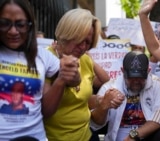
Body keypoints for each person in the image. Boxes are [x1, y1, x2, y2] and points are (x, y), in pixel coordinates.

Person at [0, 0, 79, 140]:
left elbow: (75, 80)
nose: (13, 31)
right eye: (5, 23)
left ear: (30, 26)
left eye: (20, 24)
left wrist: (68, 71)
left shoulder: (42, 55)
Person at [43, 8, 110, 141]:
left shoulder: (85, 60)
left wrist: (100, 100)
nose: (84, 47)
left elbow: (82, 98)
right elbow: (44, 109)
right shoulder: (44, 59)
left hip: (87, 136)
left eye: (88, 43)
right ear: (67, 33)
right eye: (80, 40)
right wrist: (61, 79)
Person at [91, 51, 160, 141]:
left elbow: (159, 120)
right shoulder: (109, 87)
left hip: (145, 137)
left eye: (140, 77)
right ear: (122, 71)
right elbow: (96, 125)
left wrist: (132, 135)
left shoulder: (158, 84)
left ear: (148, 71)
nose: (136, 81)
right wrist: (103, 107)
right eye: (131, 77)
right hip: (117, 138)